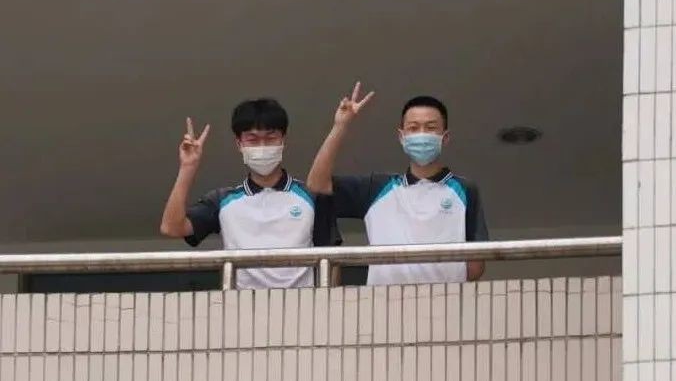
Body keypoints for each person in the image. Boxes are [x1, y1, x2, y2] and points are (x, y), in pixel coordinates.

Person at [306, 82, 487, 285]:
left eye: (430, 128)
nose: (421, 134)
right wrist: (340, 125)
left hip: (447, 300)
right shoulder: (376, 188)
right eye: (413, 128)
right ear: (402, 137)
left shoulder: (465, 190)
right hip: (384, 302)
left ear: (445, 138)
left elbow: (476, 265)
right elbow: (316, 183)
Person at [160, 98, 340, 289]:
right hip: (242, 304)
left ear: (283, 140)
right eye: (252, 139)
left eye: (270, 138)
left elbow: (332, 258)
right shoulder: (221, 200)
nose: (262, 146)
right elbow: (172, 228)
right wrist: (188, 167)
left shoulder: (312, 195)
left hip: (303, 303)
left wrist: (330, 302)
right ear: (239, 144)